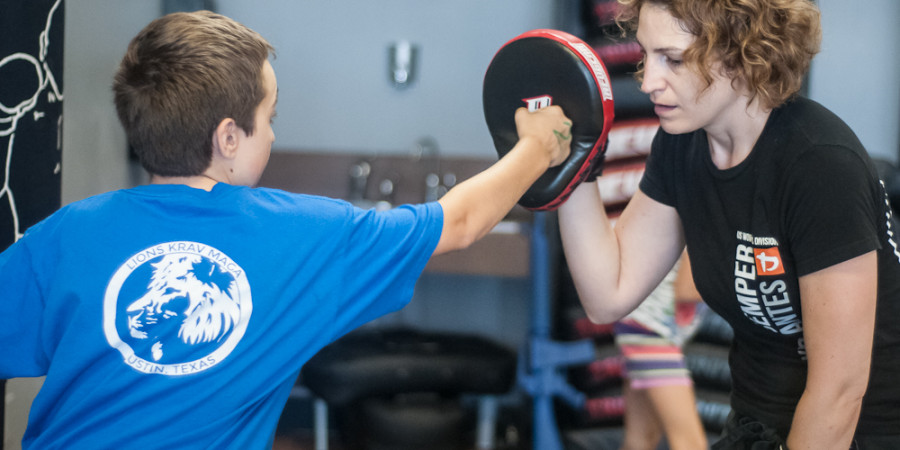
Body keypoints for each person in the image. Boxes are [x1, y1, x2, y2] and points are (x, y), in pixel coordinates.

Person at [0, 11, 573, 449]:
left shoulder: (65, 234)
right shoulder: (300, 235)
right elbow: (461, 221)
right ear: (229, 138)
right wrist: (536, 146)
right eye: (268, 119)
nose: (272, 136)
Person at [558, 0, 900, 448]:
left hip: (862, 433)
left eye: (674, 60)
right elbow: (609, 294)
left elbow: (838, 394)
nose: (647, 82)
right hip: (755, 422)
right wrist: (570, 160)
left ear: (742, 54)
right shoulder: (682, 145)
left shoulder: (820, 165)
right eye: (647, 56)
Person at [613, 252, 708, 450]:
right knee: (691, 444)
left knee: (642, 438)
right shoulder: (710, 223)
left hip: (641, 327)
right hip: (650, 332)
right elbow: (688, 289)